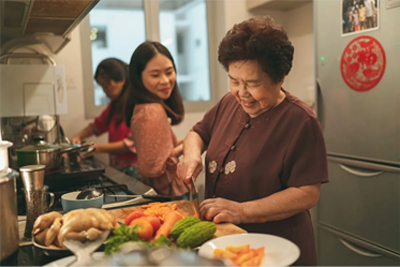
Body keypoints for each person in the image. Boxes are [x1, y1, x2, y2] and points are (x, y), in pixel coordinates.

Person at [177, 16, 328, 266]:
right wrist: (191, 155)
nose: (241, 92)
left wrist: (241, 210)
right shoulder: (229, 103)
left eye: (252, 83)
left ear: (279, 78)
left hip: (274, 251)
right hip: (226, 243)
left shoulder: (301, 121)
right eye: (234, 81)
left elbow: (307, 194)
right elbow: (198, 132)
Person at [124, 41, 188, 197]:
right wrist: (191, 143)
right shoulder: (152, 110)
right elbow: (158, 166)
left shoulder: (144, 107)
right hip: (168, 195)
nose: (165, 81)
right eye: (155, 75)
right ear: (139, 77)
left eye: (169, 72)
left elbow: (160, 151)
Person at [72, 58, 139, 178]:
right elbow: (97, 125)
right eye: (102, 86)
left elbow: (131, 144)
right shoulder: (115, 105)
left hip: (135, 170)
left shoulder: (135, 105)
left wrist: (95, 148)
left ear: (121, 80)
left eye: (107, 85)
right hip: (119, 169)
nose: (105, 91)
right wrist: (78, 136)